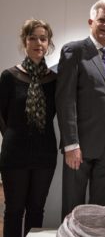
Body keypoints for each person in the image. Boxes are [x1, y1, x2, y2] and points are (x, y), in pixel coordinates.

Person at [56, 0, 105, 220]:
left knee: (103, 211)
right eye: (102, 20)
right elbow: (65, 100)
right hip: (80, 145)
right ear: (91, 21)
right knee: (73, 206)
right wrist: (71, 144)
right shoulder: (74, 51)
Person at [0, 19, 57, 237]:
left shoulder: (54, 80)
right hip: (14, 154)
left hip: (45, 154)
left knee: (36, 210)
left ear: (49, 43)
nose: (38, 43)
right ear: (25, 41)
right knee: (14, 210)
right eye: (32, 37)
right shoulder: (9, 76)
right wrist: (13, 134)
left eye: (43, 38)